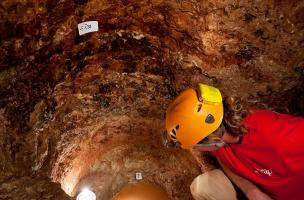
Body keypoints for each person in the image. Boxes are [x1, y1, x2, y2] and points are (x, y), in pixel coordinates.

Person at [163, 83, 304, 200]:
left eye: (195, 145)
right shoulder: (218, 134)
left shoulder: (282, 135)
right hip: (264, 193)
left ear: (208, 139)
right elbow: (226, 161)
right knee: (203, 186)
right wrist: (251, 190)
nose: (196, 150)